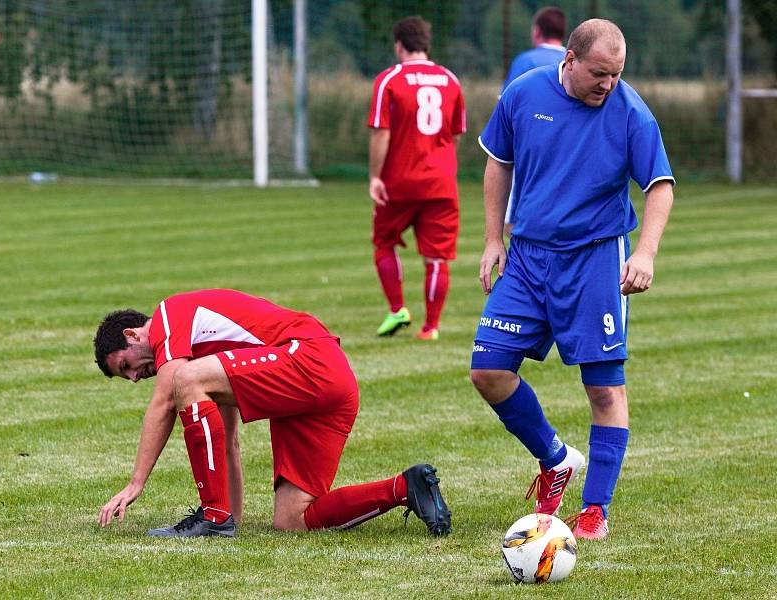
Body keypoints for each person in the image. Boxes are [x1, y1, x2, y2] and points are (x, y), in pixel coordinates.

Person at [470, 19, 674, 540]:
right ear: (570, 60)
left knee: (603, 388)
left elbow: (659, 185)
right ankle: (555, 459)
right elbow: (498, 164)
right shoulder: (524, 93)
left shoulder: (630, 112)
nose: (608, 84)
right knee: (488, 371)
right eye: (600, 73)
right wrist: (494, 239)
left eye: (617, 74)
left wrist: (645, 253)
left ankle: (594, 510)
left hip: (594, 260)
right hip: (529, 257)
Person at [94, 288, 451, 537]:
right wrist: (233, 514)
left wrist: (136, 483)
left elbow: (165, 400)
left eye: (125, 365)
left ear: (133, 334)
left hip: (308, 357)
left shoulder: (168, 318)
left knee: (183, 380)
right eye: (124, 376)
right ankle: (407, 487)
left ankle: (213, 518)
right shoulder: (206, 363)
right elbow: (227, 440)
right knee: (292, 519)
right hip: (328, 384)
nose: (133, 377)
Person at [367, 15, 466, 341]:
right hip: (440, 183)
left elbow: (381, 133)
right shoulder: (451, 80)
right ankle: (430, 327)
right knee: (436, 257)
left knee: (384, 242)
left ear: (399, 45)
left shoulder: (389, 80)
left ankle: (397, 309)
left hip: (399, 181)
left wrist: (374, 176)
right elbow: (455, 134)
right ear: (426, 44)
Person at [500, 6, 567, 238]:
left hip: (531, 151)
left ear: (537, 31)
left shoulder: (526, 61)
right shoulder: (575, 60)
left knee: (513, 222)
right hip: (570, 152)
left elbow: (505, 108)